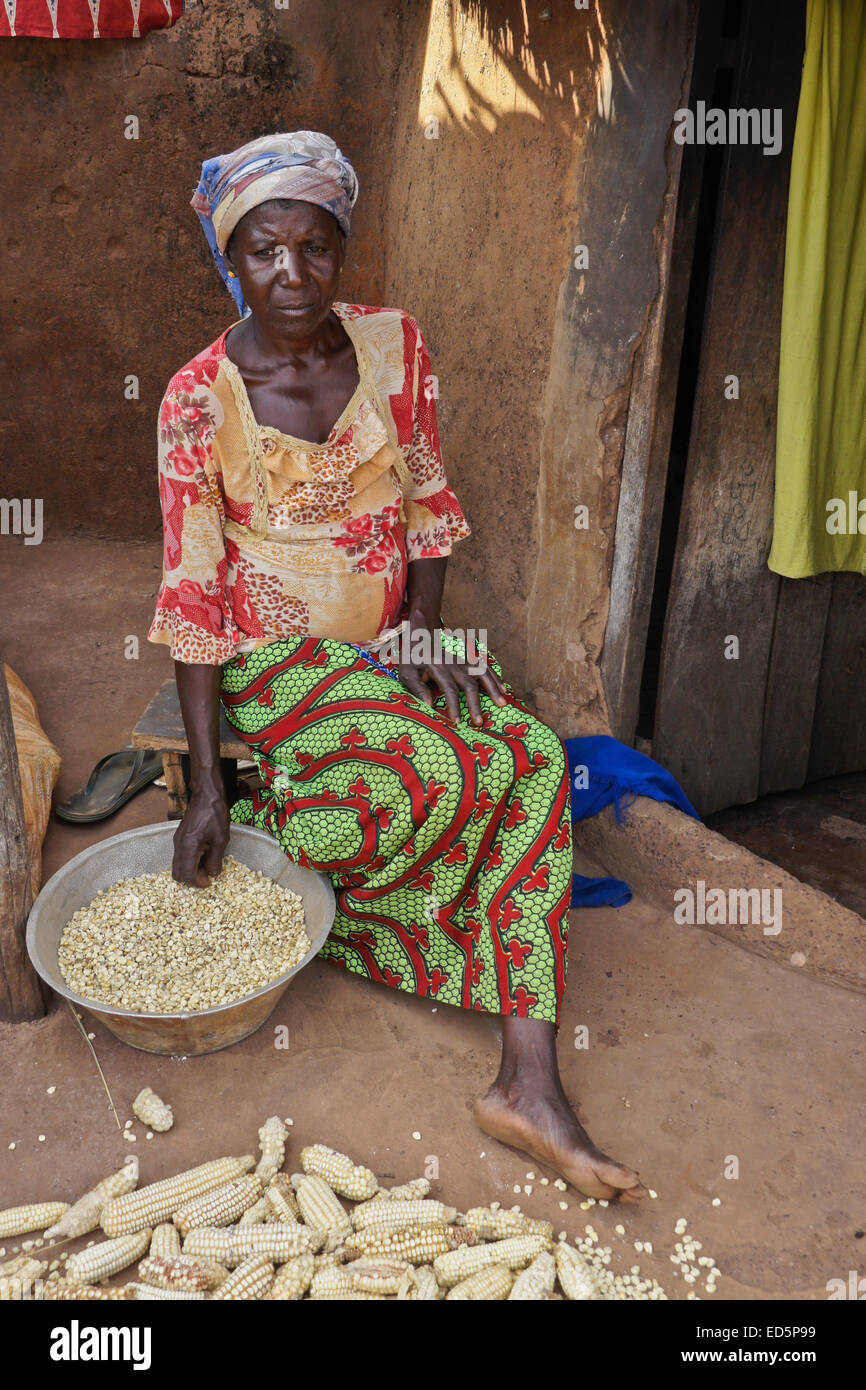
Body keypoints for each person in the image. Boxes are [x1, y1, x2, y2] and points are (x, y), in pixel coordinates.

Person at [148, 131, 645, 1202]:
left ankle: (526, 1081)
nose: (292, 275)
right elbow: (191, 598)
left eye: (314, 248)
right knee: (436, 774)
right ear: (230, 259)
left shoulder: (392, 345)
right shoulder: (196, 399)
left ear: (341, 249)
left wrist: (420, 627)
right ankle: (279, 832)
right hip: (272, 655)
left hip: (390, 636)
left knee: (532, 762)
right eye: (263, 251)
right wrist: (201, 784)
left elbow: (425, 504)